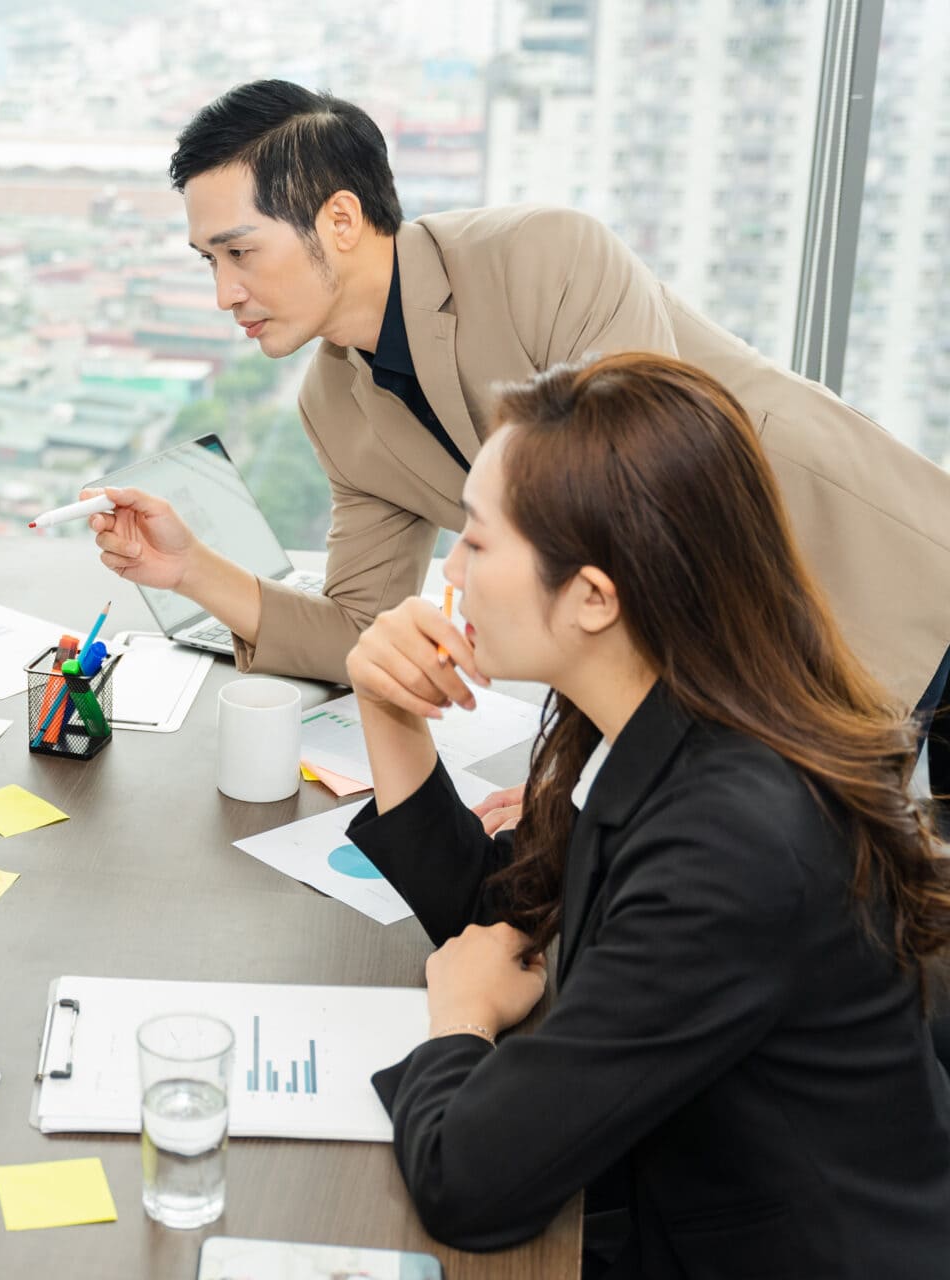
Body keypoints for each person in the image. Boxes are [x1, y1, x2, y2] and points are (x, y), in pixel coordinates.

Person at [85, 80, 950, 830]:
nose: (224, 292)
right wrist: (192, 570)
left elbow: (643, 531)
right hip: (768, 684)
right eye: (209, 261)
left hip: (890, 585)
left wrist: (574, 791)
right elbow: (359, 629)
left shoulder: (544, 258)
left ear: (340, 220)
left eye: (240, 253)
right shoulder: (333, 401)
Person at [340, 352, 950, 1277]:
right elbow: (512, 914)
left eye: (476, 539)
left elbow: (470, 1181)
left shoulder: (732, 840)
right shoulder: (663, 711)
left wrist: (459, 1020)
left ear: (592, 597)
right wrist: (390, 717)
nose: (450, 571)